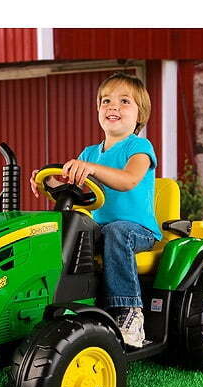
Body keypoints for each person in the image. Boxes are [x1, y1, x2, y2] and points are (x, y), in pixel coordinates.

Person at [30, 72, 161, 348]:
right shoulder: (89, 153)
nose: (113, 106)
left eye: (124, 101)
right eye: (106, 101)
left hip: (137, 230)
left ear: (140, 114)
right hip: (101, 229)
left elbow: (128, 180)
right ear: (98, 109)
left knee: (116, 232)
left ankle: (129, 312)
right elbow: (74, 192)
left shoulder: (139, 147)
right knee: (62, 230)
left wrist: (91, 168)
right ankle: (52, 303)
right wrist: (49, 182)